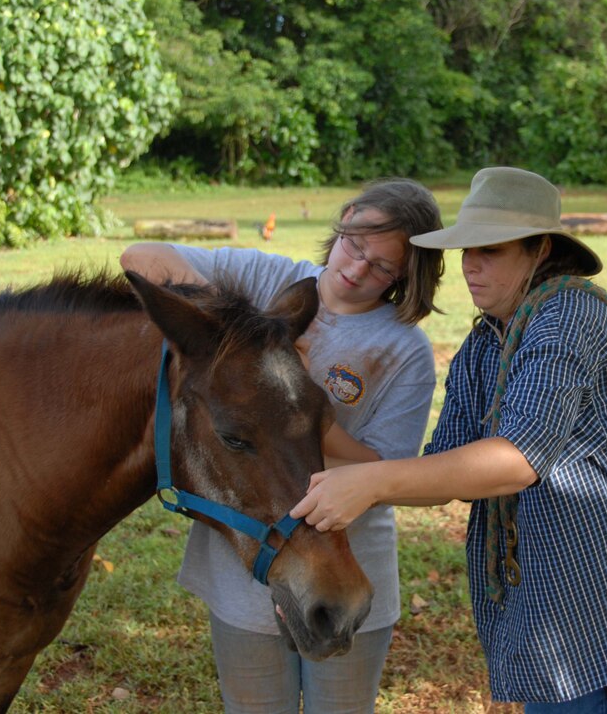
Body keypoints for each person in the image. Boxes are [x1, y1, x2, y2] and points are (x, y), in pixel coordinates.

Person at [290, 167, 607, 713]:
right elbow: (442, 476)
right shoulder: (482, 347)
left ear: (540, 250)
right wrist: (351, 467)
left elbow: (519, 457)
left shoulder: (569, 315)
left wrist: (371, 480)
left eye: (491, 250)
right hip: (558, 591)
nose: (471, 265)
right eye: (465, 251)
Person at [119, 178, 445, 714]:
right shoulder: (268, 277)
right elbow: (142, 256)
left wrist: (303, 406)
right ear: (345, 218)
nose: (358, 269)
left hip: (344, 572)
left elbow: (386, 472)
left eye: (384, 267)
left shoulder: (403, 348)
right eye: (356, 245)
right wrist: (240, 340)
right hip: (243, 575)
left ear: (407, 276)